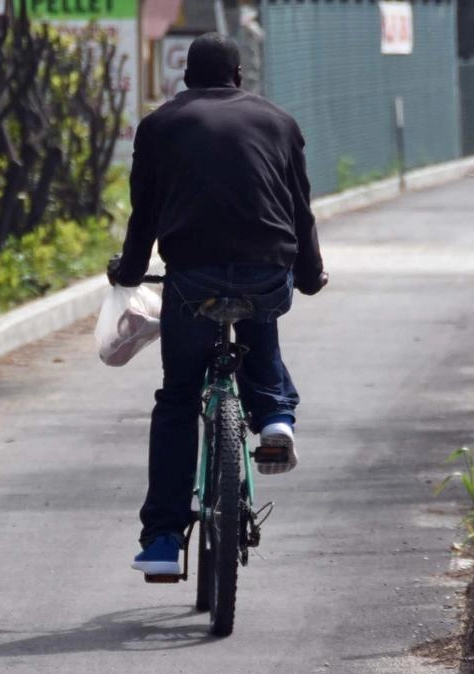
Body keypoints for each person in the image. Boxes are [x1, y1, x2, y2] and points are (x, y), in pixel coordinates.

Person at [106, 34, 328, 576]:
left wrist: (129, 274)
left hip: (192, 276)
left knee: (179, 396)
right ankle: (275, 418)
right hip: (267, 268)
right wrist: (309, 272)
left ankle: (161, 541)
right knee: (259, 316)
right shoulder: (279, 121)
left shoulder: (159, 126)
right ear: (238, 76)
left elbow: (146, 214)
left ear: (187, 78)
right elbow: (300, 209)